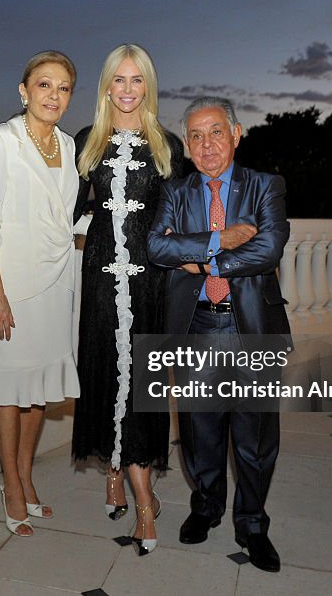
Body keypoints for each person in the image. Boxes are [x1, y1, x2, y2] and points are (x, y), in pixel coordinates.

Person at [146, 96, 291, 572]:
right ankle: (205, 507)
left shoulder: (266, 186)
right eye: (196, 136)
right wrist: (220, 241)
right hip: (197, 327)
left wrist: (203, 261)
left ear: (236, 133)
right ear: (187, 146)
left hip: (252, 328)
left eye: (215, 132)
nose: (207, 145)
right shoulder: (176, 191)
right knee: (199, 431)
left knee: (254, 438)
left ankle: (252, 524)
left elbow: (268, 249)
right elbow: (155, 246)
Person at [70, 44, 187, 555]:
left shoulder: (167, 144)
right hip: (99, 277)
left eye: (136, 80)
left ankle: (145, 500)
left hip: (148, 282)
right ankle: (115, 471)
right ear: (106, 86)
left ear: (148, 87)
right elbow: (68, 210)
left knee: (139, 383)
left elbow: (182, 218)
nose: (126, 89)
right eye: (118, 79)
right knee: (104, 374)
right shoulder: (86, 140)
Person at [0, 51, 81, 537]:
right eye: (44, 85)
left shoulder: (69, 144)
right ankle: (11, 486)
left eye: (63, 88)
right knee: (13, 389)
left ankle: (27, 478)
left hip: (57, 280)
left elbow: (65, 216)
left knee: (39, 390)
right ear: (24, 91)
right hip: (13, 284)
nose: (53, 95)